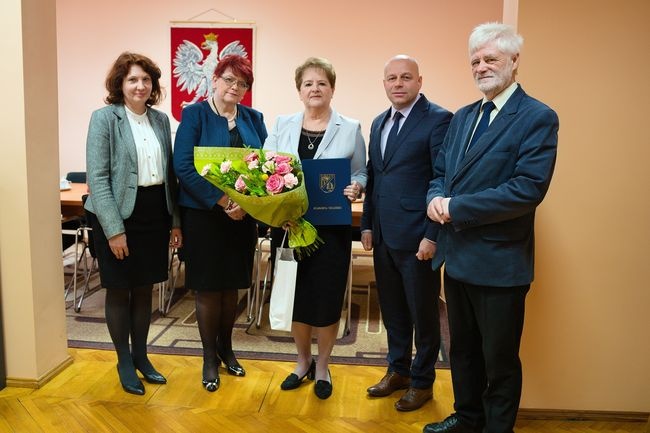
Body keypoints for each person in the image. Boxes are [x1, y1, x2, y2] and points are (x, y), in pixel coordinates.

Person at [423, 23, 559, 433]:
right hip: (458, 257)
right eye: (475, 61)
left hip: (500, 263)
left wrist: (455, 206)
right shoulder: (463, 117)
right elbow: (441, 172)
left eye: (490, 59)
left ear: (514, 62)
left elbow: (526, 189)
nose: (481, 67)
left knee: (498, 359)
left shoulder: (537, 117)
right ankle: (467, 419)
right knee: (461, 350)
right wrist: (434, 197)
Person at [263, 57, 367, 400]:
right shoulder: (282, 124)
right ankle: (302, 361)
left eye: (321, 83)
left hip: (331, 229)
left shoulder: (350, 127)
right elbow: (266, 168)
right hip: (291, 227)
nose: (315, 89)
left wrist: (356, 187)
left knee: (325, 299)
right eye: (308, 83)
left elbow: (360, 172)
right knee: (296, 296)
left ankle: (323, 365)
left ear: (332, 89)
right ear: (299, 90)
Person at [84, 52, 182, 395]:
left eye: (146, 80)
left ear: (153, 84)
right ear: (120, 85)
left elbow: (170, 176)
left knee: (144, 288)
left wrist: (175, 222)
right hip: (116, 212)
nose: (140, 86)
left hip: (155, 212)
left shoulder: (160, 120)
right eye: (132, 80)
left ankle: (142, 356)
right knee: (119, 287)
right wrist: (114, 230)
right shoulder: (104, 118)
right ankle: (124, 360)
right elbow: (97, 177)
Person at [360, 55, 452, 411]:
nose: (398, 83)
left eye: (405, 77)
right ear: (384, 84)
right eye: (391, 78)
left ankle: (423, 381)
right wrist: (367, 224)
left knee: (422, 312)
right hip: (383, 235)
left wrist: (433, 235)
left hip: (418, 238)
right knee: (393, 311)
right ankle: (397, 370)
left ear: (419, 81)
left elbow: (441, 180)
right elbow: (374, 175)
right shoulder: (378, 122)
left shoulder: (439, 120)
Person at [173, 55, 268, 392]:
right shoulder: (195, 114)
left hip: (242, 219)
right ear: (214, 79)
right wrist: (224, 200)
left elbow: (264, 167)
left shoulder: (254, 119)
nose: (235, 87)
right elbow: (183, 166)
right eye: (229, 79)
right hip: (204, 216)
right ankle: (209, 357)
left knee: (232, 288)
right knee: (209, 289)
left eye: (242, 83)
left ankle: (227, 349)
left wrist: (246, 204)